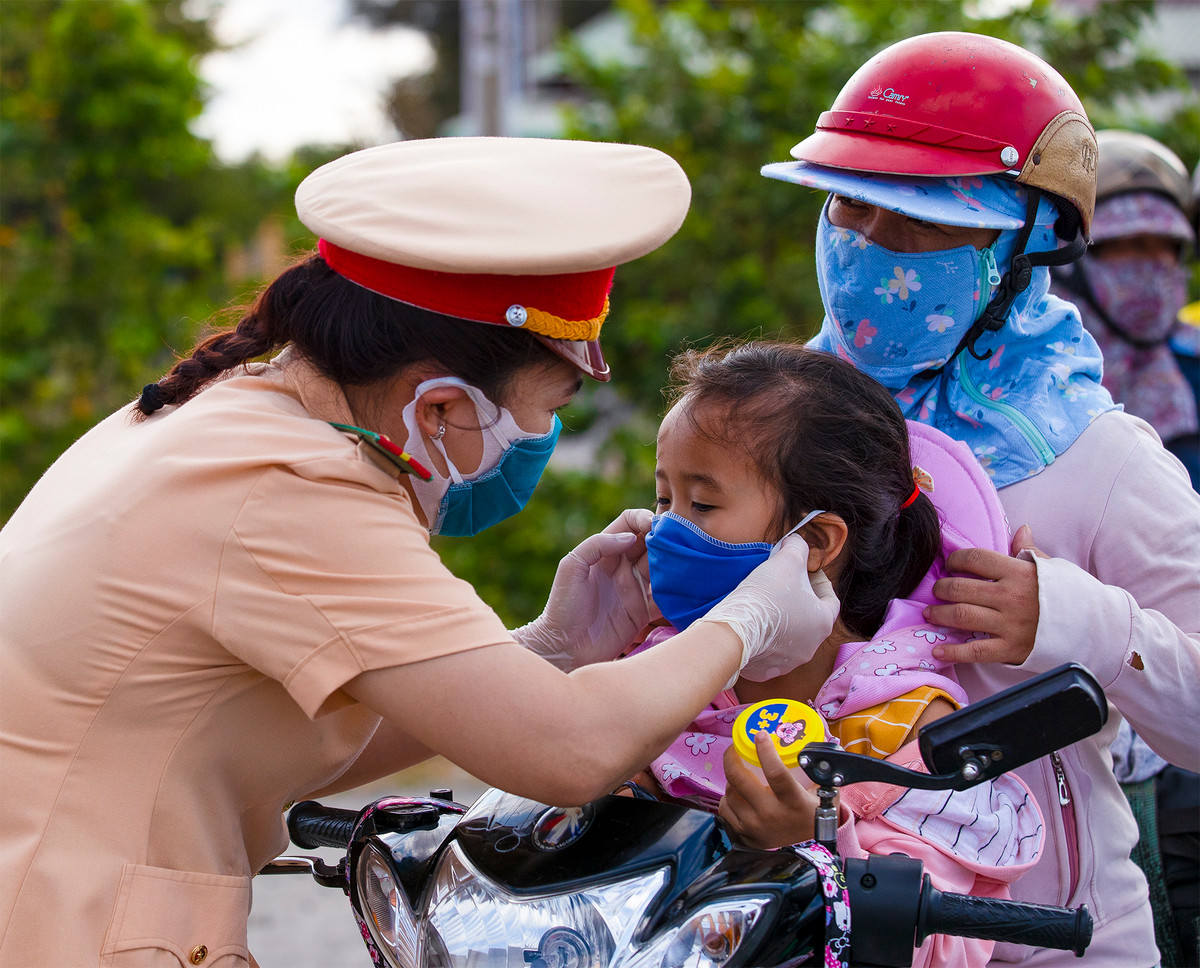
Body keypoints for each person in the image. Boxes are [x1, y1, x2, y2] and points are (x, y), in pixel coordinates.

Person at [0, 138, 842, 967]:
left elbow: (291, 744)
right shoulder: (293, 487)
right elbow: (571, 753)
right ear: (439, 408)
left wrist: (554, 647)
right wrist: (752, 615)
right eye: (549, 404)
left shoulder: (228, 421)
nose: (545, 434)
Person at [760, 31, 1200, 968]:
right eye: (848, 204)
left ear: (1022, 245)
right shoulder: (773, 428)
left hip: (1052, 945)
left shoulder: (1101, 459)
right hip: (804, 929)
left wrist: (1078, 623)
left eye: (920, 223)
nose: (868, 247)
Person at [626, 340, 1041, 968]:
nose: (665, 531)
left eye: (702, 505)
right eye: (664, 501)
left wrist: (815, 847)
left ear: (817, 540)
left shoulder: (904, 722)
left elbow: (944, 947)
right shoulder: (657, 666)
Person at [1049, 129, 1198, 489]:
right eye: (1134, 244)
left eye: (1169, 246)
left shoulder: (1194, 362)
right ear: (1075, 257)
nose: (1157, 264)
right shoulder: (1035, 368)